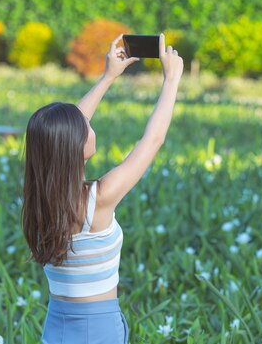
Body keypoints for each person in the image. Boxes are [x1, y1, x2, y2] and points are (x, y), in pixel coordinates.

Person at [21, 33, 184, 343]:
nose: (89, 124)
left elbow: (65, 131)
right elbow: (152, 140)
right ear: (75, 145)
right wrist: (171, 80)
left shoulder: (38, 199)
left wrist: (109, 76)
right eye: (87, 128)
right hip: (98, 329)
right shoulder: (99, 197)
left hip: (55, 326)